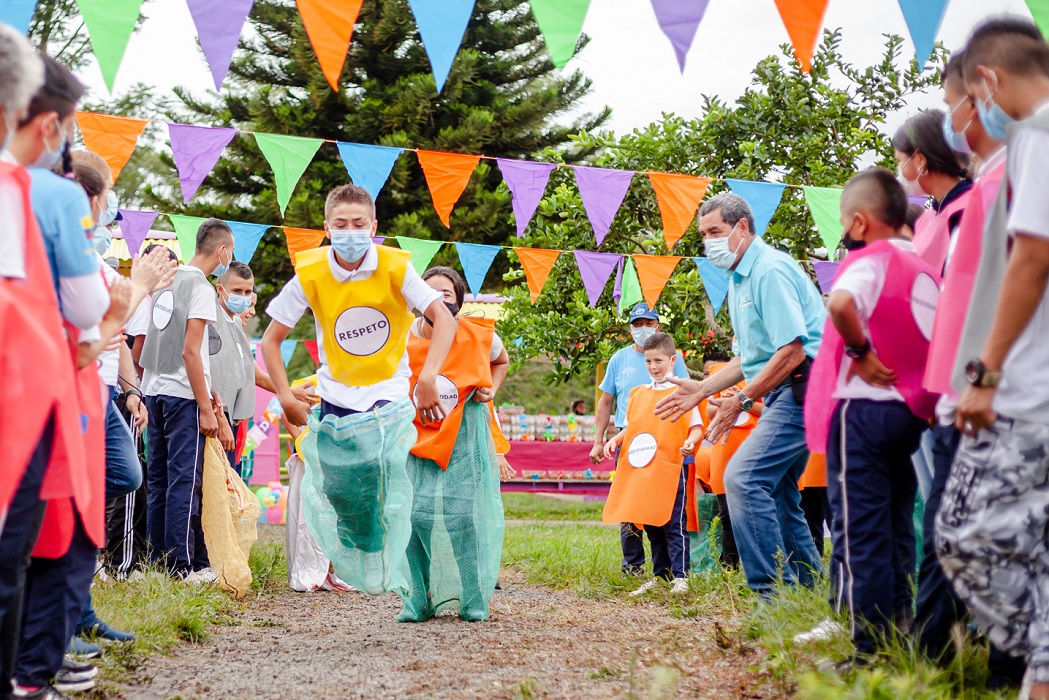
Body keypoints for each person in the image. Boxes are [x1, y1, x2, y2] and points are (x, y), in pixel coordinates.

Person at [262, 184, 456, 595]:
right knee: (337, 484)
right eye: (341, 224)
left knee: (375, 461)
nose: (350, 231)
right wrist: (283, 394)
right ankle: (358, 540)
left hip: (387, 391)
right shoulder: (311, 273)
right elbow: (270, 340)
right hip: (335, 392)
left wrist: (427, 377)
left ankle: (386, 539)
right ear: (327, 228)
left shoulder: (396, 268)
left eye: (359, 224)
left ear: (374, 226)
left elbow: (445, 320)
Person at [937, 18, 1049, 700]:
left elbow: (1030, 256)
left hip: (1027, 388)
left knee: (961, 532)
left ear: (986, 81)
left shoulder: (1035, 133)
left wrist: (984, 371)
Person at [655, 192, 825, 597]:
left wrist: (742, 400)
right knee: (780, 491)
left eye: (715, 231)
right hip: (786, 388)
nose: (708, 241)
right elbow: (750, 358)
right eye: (703, 234)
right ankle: (811, 592)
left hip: (805, 386)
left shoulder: (769, 271)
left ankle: (772, 596)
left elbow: (793, 349)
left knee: (744, 478)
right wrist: (703, 389)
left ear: (742, 227)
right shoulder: (739, 278)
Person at [805, 168, 939, 668]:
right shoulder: (923, 266)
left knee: (860, 529)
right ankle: (902, 625)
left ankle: (870, 651)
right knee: (897, 521)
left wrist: (859, 350)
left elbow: (840, 301)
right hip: (910, 413)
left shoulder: (871, 260)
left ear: (859, 223)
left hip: (862, 410)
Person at [913, 50, 1019, 687]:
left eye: (954, 99)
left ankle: (992, 669)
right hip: (958, 391)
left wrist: (981, 380)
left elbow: (1010, 281)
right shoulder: (984, 186)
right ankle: (955, 662)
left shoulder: (1003, 181)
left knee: (969, 533)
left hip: (988, 393)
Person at [398, 266, 509, 622]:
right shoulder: (403, 337)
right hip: (416, 436)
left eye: (447, 293)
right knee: (414, 517)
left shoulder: (479, 335)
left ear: (459, 300)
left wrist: (491, 388)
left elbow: (501, 361)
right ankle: (418, 598)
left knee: (462, 514)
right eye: (430, 292)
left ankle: (474, 597)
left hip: (464, 433)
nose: (439, 299)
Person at [140, 218, 234, 582]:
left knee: (159, 478)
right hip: (182, 396)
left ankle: (158, 563)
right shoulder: (199, 286)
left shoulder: (168, 281)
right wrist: (206, 408)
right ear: (222, 251)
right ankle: (181, 566)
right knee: (183, 481)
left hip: (154, 390)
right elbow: (191, 353)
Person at [590, 302, 689, 576]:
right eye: (638, 324)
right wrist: (600, 440)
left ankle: (671, 570)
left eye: (649, 323)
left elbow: (686, 398)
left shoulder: (672, 358)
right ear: (630, 327)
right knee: (630, 504)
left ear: (658, 325)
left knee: (665, 508)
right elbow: (605, 401)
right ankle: (632, 565)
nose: (643, 329)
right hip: (630, 440)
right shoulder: (618, 359)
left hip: (666, 441)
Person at [601, 332, 703, 596]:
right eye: (648, 362)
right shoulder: (638, 393)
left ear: (672, 360)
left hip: (672, 466)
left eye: (658, 360)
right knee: (652, 523)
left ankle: (680, 576)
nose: (653, 367)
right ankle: (661, 576)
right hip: (645, 469)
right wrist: (616, 439)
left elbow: (696, 427)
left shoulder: (683, 391)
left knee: (674, 524)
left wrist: (691, 443)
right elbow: (634, 427)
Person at [893, 110, 972, 275]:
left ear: (920, 159)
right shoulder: (928, 217)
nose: (899, 170)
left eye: (900, 161)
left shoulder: (967, 210)